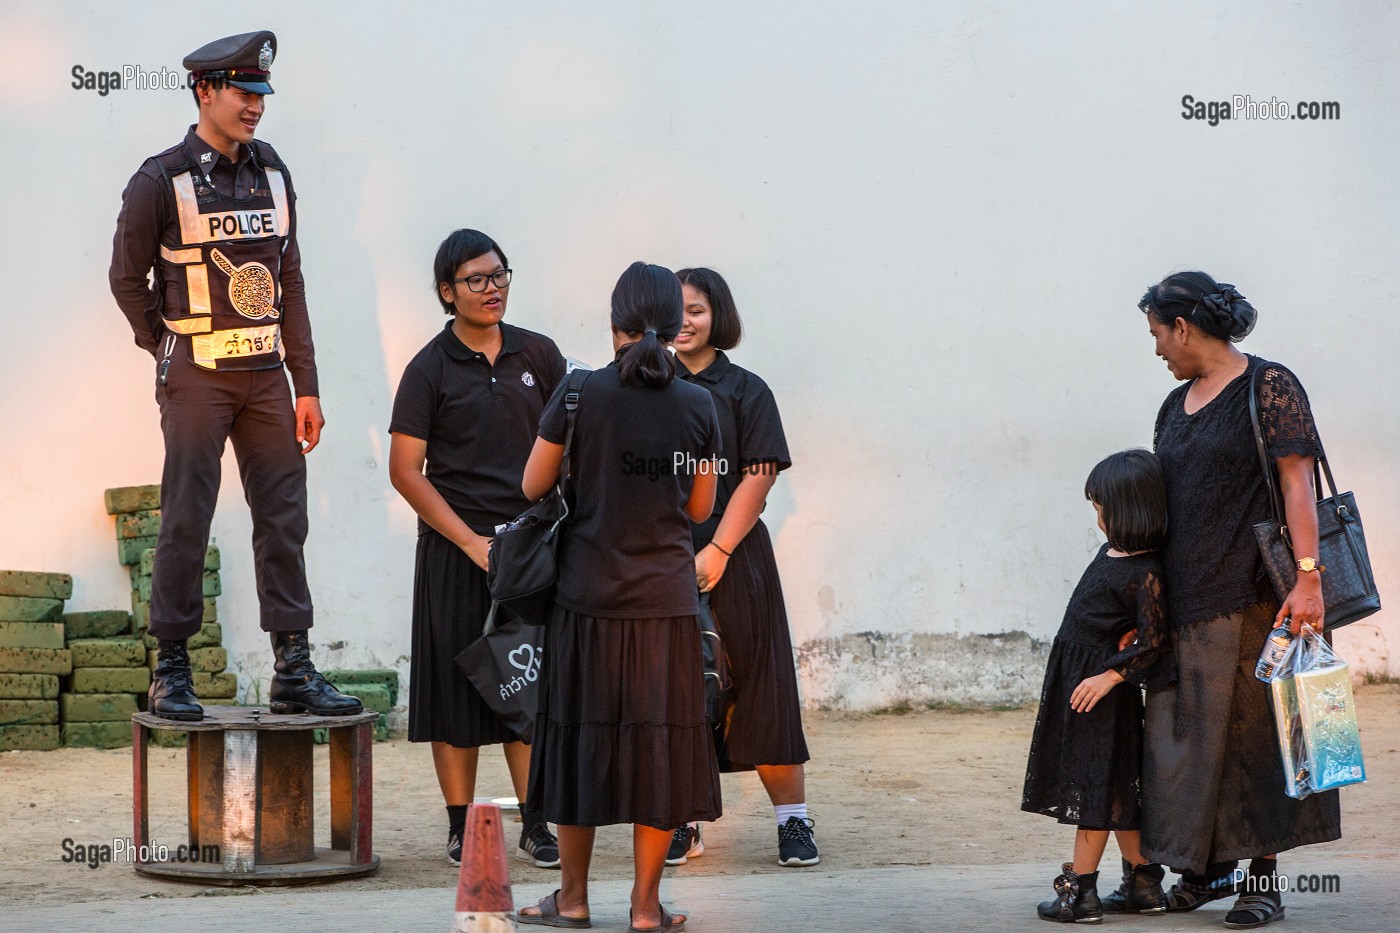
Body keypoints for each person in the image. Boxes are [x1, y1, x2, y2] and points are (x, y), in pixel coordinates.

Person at [108, 31, 360, 721]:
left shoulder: (273, 171)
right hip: (197, 373)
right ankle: (172, 670)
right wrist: (163, 347)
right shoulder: (159, 179)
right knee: (187, 514)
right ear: (205, 91)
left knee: (285, 516)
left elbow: (291, 278)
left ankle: (294, 668)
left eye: (261, 96)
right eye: (245, 94)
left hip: (266, 377)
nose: (256, 107)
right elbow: (126, 279)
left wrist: (305, 383)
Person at [517, 262, 722, 932]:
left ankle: (572, 898)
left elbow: (531, 484)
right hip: (664, 604)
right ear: (673, 322)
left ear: (614, 321)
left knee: (581, 744)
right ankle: (644, 906)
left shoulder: (577, 395)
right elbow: (700, 505)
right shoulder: (700, 406)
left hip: (586, 603)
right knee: (658, 751)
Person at [1136, 271, 1340, 929]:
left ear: (1185, 327)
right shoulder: (1173, 407)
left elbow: (1297, 485)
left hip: (1260, 595)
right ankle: (1207, 869)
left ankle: (1264, 877)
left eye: (1158, 335)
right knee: (1191, 740)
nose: (1158, 349)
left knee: (1262, 741)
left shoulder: (1268, 385)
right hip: (1189, 595)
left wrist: (1309, 577)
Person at [388, 229, 565, 868]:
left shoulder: (539, 355)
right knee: (454, 689)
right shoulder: (428, 368)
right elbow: (405, 470)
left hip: (529, 553)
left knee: (527, 684)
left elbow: (570, 443)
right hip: (453, 550)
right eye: (476, 280)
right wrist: (469, 543)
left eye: (499, 275)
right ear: (447, 292)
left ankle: (537, 821)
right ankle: (461, 824)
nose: (493, 289)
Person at [666, 267, 818, 868]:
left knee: (762, 685)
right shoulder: (646, 387)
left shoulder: (747, 390)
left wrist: (720, 549)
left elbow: (760, 474)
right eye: (674, 310)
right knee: (675, 692)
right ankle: (680, 819)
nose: (684, 321)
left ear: (718, 316)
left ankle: (793, 821)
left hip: (738, 558)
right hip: (663, 559)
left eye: (696, 310)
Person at [1021, 449, 1172, 922]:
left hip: (1102, 694)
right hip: (1081, 683)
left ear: (1128, 509)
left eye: (1101, 506)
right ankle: (1144, 885)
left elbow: (1155, 639)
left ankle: (1079, 892)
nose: (1098, 516)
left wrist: (1109, 676)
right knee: (1116, 788)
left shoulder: (1145, 571)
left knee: (1094, 788)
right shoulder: (1112, 555)